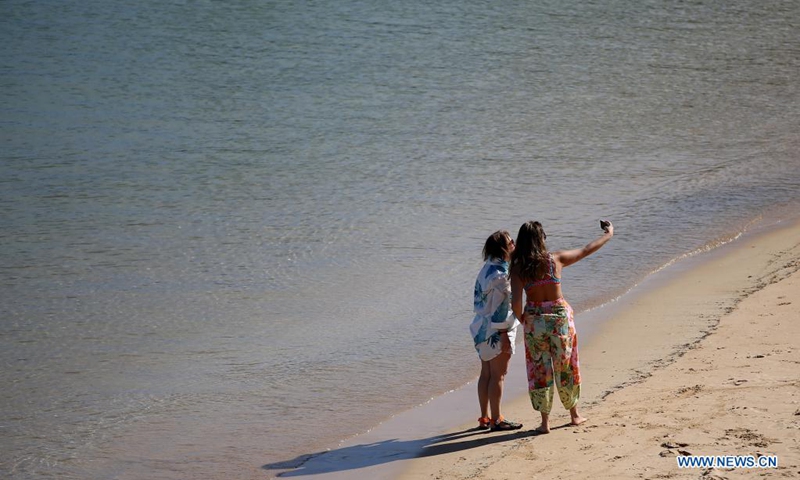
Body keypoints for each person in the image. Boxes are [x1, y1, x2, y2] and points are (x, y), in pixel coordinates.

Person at [510, 220, 614, 433]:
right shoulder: (555, 259)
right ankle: (574, 415)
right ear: (541, 239)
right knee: (566, 366)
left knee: (539, 369)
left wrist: (526, 320)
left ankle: (545, 423)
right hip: (560, 319)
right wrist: (609, 234)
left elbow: (515, 303)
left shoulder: (519, 268)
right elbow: (586, 250)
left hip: (534, 321)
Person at [470, 230, 524, 431]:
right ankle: (497, 419)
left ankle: (484, 418)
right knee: (498, 375)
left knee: (486, 374)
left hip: (479, 328)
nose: (514, 244)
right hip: (496, 331)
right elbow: (500, 310)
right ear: (503, 248)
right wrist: (504, 336)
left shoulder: (486, 269)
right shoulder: (502, 276)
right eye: (511, 242)